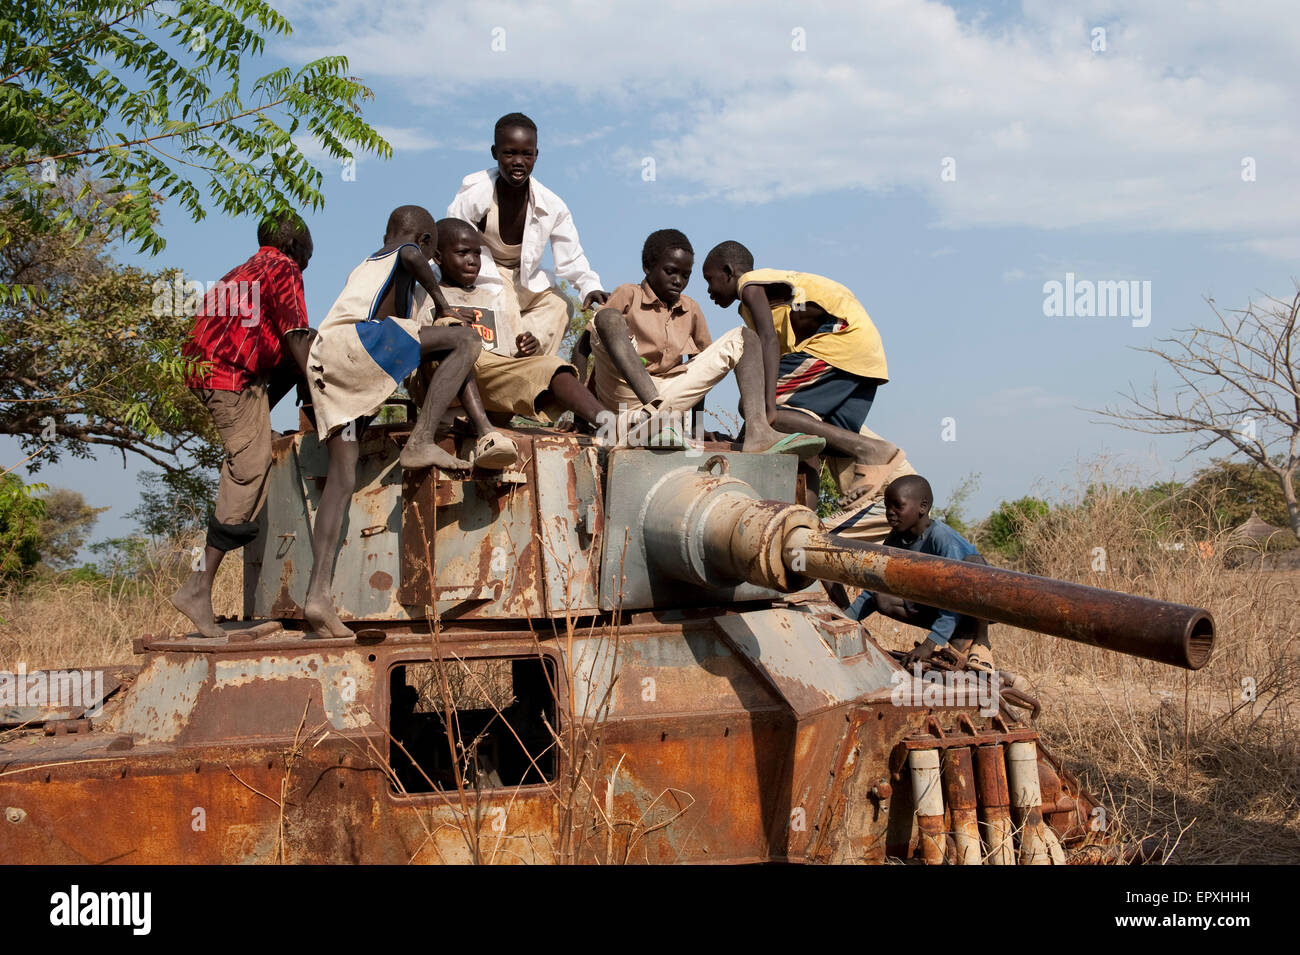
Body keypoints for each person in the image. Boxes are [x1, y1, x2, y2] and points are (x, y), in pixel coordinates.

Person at [302, 205, 518, 638]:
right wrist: (443, 305)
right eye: (433, 250)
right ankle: (420, 441)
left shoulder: (361, 272)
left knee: (342, 481)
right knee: (464, 339)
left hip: (330, 364)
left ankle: (317, 595)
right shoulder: (402, 250)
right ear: (425, 241)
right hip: (361, 342)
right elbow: (412, 256)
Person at [170, 210, 317, 638]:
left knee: (252, 456)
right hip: (229, 376)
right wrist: (324, 394)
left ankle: (256, 431)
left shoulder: (245, 268)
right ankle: (197, 587)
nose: (308, 261)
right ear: (295, 245)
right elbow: (296, 336)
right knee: (250, 465)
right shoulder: (283, 266)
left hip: (220, 372)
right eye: (309, 252)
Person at [576, 229, 823, 456]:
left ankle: (759, 432)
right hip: (622, 393)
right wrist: (579, 413)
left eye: (685, 275)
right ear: (648, 267)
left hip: (670, 394)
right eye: (670, 271)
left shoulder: (691, 309)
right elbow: (583, 347)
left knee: (746, 337)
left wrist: (697, 427)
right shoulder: (628, 293)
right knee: (607, 318)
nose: (678, 281)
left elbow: (701, 369)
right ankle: (657, 418)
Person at [701, 241, 901, 502]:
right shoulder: (765, 301)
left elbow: (769, 341)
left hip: (839, 342)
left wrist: (767, 407)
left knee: (753, 405)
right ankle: (806, 519)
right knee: (803, 440)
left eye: (709, 279)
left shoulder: (750, 286)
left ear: (728, 272)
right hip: (862, 356)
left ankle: (870, 449)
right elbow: (776, 356)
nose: (708, 290)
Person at [420, 217, 640, 436]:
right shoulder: (425, 295)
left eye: (477, 254)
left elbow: (504, 362)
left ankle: (611, 425)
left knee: (552, 365)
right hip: (442, 385)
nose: (472, 261)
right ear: (438, 257)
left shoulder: (491, 298)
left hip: (488, 388)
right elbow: (415, 343)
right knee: (452, 332)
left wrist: (525, 350)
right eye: (462, 253)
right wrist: (450, 324)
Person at [446, 112, 607, 357]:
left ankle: (529, 350)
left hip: (524, 279)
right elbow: (450, 239)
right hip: (485, 273)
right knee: (504, 303)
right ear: (495, 153)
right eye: (510, 153)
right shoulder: (475, 194)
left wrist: (590, 286)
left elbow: (571, 258)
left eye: (527, 154)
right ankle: (513, 363)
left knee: (560, 305)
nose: (518, 161)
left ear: (536, 155)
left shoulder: (551, 205)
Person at [845, 475, 994, 670]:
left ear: (922, 507)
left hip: (976, 603)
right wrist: (845, 620)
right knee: (882, 597)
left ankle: (980, 640)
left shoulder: (942, 538)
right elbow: (875, 586)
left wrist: (929, 644)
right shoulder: (896, 538)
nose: (890, 513)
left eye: (898, 506)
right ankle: (959, 637)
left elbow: (955, 593)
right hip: (937, 601)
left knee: (973, 566)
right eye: (887, 506)